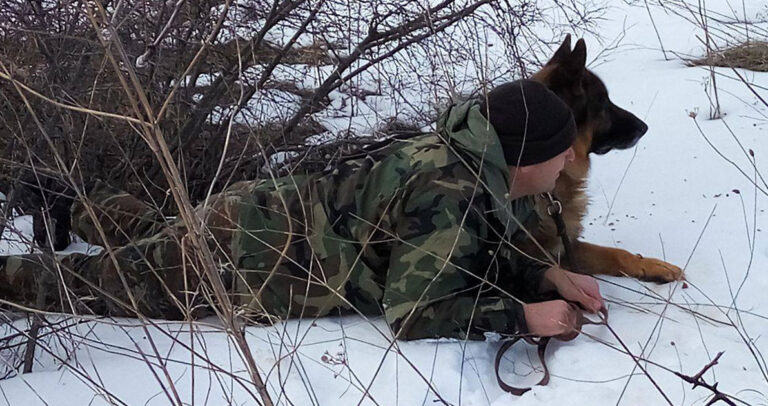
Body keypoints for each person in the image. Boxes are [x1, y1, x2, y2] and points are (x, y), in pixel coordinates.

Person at [0, 79, 603, 341]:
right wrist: (524, 319)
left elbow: (459, 253)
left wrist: (542, 275)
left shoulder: (469, 149)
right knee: (96, 286)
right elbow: (416, 312)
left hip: (254, 216)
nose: (566, 167)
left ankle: (70, 203)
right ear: (525, 158)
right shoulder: (454, 189)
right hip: (249, 258)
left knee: (159, 231)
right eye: (561, 157)